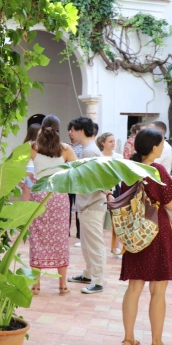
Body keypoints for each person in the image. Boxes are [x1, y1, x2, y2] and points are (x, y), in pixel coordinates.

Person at [119, 128, 172, 345]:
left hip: (135, 232)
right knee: (158, 291)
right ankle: (156, 344)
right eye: (162, 142)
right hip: (157, 232)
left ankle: (128, 339)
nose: (163, 145)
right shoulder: (158, 170)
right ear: (154, 147)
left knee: (134, 288)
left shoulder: (129, 169)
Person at [29, 116, 77, 295]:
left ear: (41, 128)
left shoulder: (33, 147)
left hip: (39, 194)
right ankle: (63, 285)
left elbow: (19, 167)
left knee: (37, 237)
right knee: (60, 238)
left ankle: (36, 285)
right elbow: (77, 169)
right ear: (59, 129)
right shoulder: (65, 149)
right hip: (58, 195)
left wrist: (32, 176)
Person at [67, 116, 107, 294]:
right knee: (87, 243)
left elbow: (96, 180)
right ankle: (88, 274)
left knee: (95, 243)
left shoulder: (90, 151)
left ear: (81, 130)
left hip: (92, 204)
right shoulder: (88, 149)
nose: (70, 133)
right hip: (87, 204)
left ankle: (97, 280)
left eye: (73, 130)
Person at [98, 132, 124, 256]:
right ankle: (99, 246)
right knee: (99, 218)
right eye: (110, 141)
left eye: (114, 141)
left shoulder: (118, 157)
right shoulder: (98, 157)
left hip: (116, 188)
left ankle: (116, 247)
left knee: (117, 218)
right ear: (103, 143)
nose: (113, 143)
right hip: (100, 189)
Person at [67, 121, 82, 239]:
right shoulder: (65, 146)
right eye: (69, 130)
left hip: (78, 180)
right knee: (67, 206)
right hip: (67, 179)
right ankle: (66, 230)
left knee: (78, 206)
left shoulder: (83, 147)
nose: (70, 133)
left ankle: (79, 232)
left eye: (72, 130)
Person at [20, 123, 42, 202]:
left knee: (27, 196)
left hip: (29, 172)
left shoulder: (27, 145)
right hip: (31, 172)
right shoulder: (33, 145)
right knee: (31, 196)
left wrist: (21, 180)